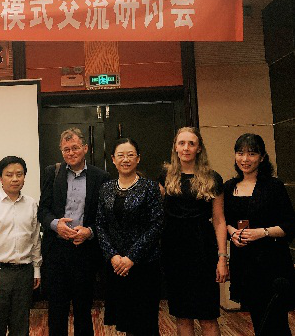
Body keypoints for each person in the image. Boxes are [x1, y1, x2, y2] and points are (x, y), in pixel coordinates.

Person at [37, 127, 110, 336]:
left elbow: (105, 217)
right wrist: (55, 224)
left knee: (83, 309)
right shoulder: (52, 172)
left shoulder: (101, 177)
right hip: (56, 252)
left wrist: (90, 232)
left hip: (85, 252)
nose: (71, 153)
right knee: (56, 309)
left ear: (85, 148)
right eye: (66, 149)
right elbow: (43, 211)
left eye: (75, 148)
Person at [159, 127, 229, 336]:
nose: (186, 148)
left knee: (207, 316)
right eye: (182, 143)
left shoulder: (213, 178)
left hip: (203, 251)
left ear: (199, 148)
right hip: (173, 251)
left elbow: (219, 220)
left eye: (191, 143)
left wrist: (222, 258)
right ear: (175, 147)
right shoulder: (165, 176)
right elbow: (156, 214)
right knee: (182, 316)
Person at [224, 133, 295, 336]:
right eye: (240, 153)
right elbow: (224, 221)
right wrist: (232, 233)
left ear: (262, 157)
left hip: (272, 263)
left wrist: (262, 232)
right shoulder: (229, 187)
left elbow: (290, 225)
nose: (245, 159)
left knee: (276, 322)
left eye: (252, 154)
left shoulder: (274, 186)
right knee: (258, 320)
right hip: (244, 264)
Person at [96, 138, 163, 336]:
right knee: (125, 322)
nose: (125, 159)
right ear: (113, 159)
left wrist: (131, 257)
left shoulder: (150, 187)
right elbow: (100, 224)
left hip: (144, 265)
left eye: (130, 155)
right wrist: (113, 256)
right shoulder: (106, 188)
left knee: (145, 323)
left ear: (138, 158)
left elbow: (156, 225)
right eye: (121, 155)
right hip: (117, 266)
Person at [0, 156, 42, 336]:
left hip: (24, 272)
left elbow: (35, 239)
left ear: (24, 177)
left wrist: (36, 269)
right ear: (0, 178)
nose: (15, 179)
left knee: (21, 326)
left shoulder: (31, 204)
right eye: (9, 175)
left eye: (19, 174)